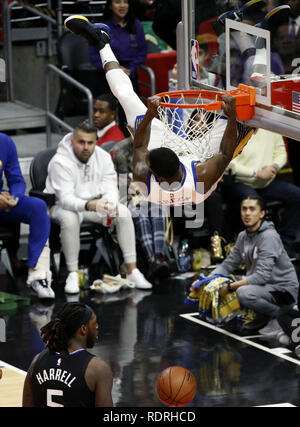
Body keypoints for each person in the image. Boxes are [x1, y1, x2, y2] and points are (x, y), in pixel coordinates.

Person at [64, 15, 256, 207]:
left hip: (179, 164)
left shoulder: (142, 179)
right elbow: (225, 152)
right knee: (245, 111)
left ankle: (101, 40)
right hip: (203, 159)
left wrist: (149, 114)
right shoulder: (202, 177)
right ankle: (248, 39)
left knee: (125, 96)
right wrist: (231, 117)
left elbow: (139, 146)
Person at [44, 120, 152, 294]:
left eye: (90, 142)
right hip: (61, 207)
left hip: (94, 205)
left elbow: (110, 186)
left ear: (96, 142)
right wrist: (90, 205)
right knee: (70, 218)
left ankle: (132, 270)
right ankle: (73, 273)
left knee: (122, 212)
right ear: (72, 141)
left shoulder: (102, 157)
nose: (86, 147)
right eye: (81, 142)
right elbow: (65, 199)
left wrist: (109, 203)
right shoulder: (60, 162)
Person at [210, 196, 299, 336]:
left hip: (283, 290)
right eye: (244, 209)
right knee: (225, 281)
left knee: (243, 292)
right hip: (264, 286)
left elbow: (262, 276)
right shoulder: (242, 236)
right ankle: (263, 316)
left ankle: (279, 317)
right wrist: (207, 281)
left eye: (252, 209)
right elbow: (229, 264)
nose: (247, 213)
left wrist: (229, 288)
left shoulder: (269, 236)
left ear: (261, 214)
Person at [223, 128, 300, 256]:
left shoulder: (269, 126)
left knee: (297, 195)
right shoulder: (233, 130)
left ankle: (283, 244)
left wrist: (273, 167)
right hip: (239, 182)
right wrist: (256, 173)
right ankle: (256, 249)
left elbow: (281, 153)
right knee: (254, 202)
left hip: (265, 182)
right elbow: (227, 162)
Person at [22, 302, 113, 407]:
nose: (97, 326)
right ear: (83, 329)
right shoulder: (98, 369)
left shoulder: (36, 362)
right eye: (94, 323)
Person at [0, 133, 54, 299]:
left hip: (2, 201)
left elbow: (16, 180)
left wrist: (13, 198)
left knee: (38, 207)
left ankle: (37, 274)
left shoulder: (4, 141)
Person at [113, 137, 170, 281]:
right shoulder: (120, 151)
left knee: (157, 209)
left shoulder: (157, 145)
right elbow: (119, 182)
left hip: (155, 192)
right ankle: (155, 260)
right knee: (140, 213)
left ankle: (157, 258)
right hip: (129, 196)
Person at [88, 0, 147, 95]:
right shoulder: (101, 27)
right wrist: (114, 69)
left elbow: (142, 52)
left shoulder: (136, 25)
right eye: (118, 2)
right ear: (110, 6)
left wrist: (130, 69)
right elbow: (94, 56)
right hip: (106, 73)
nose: (122, 5)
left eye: (126, 2)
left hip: (128, 73)